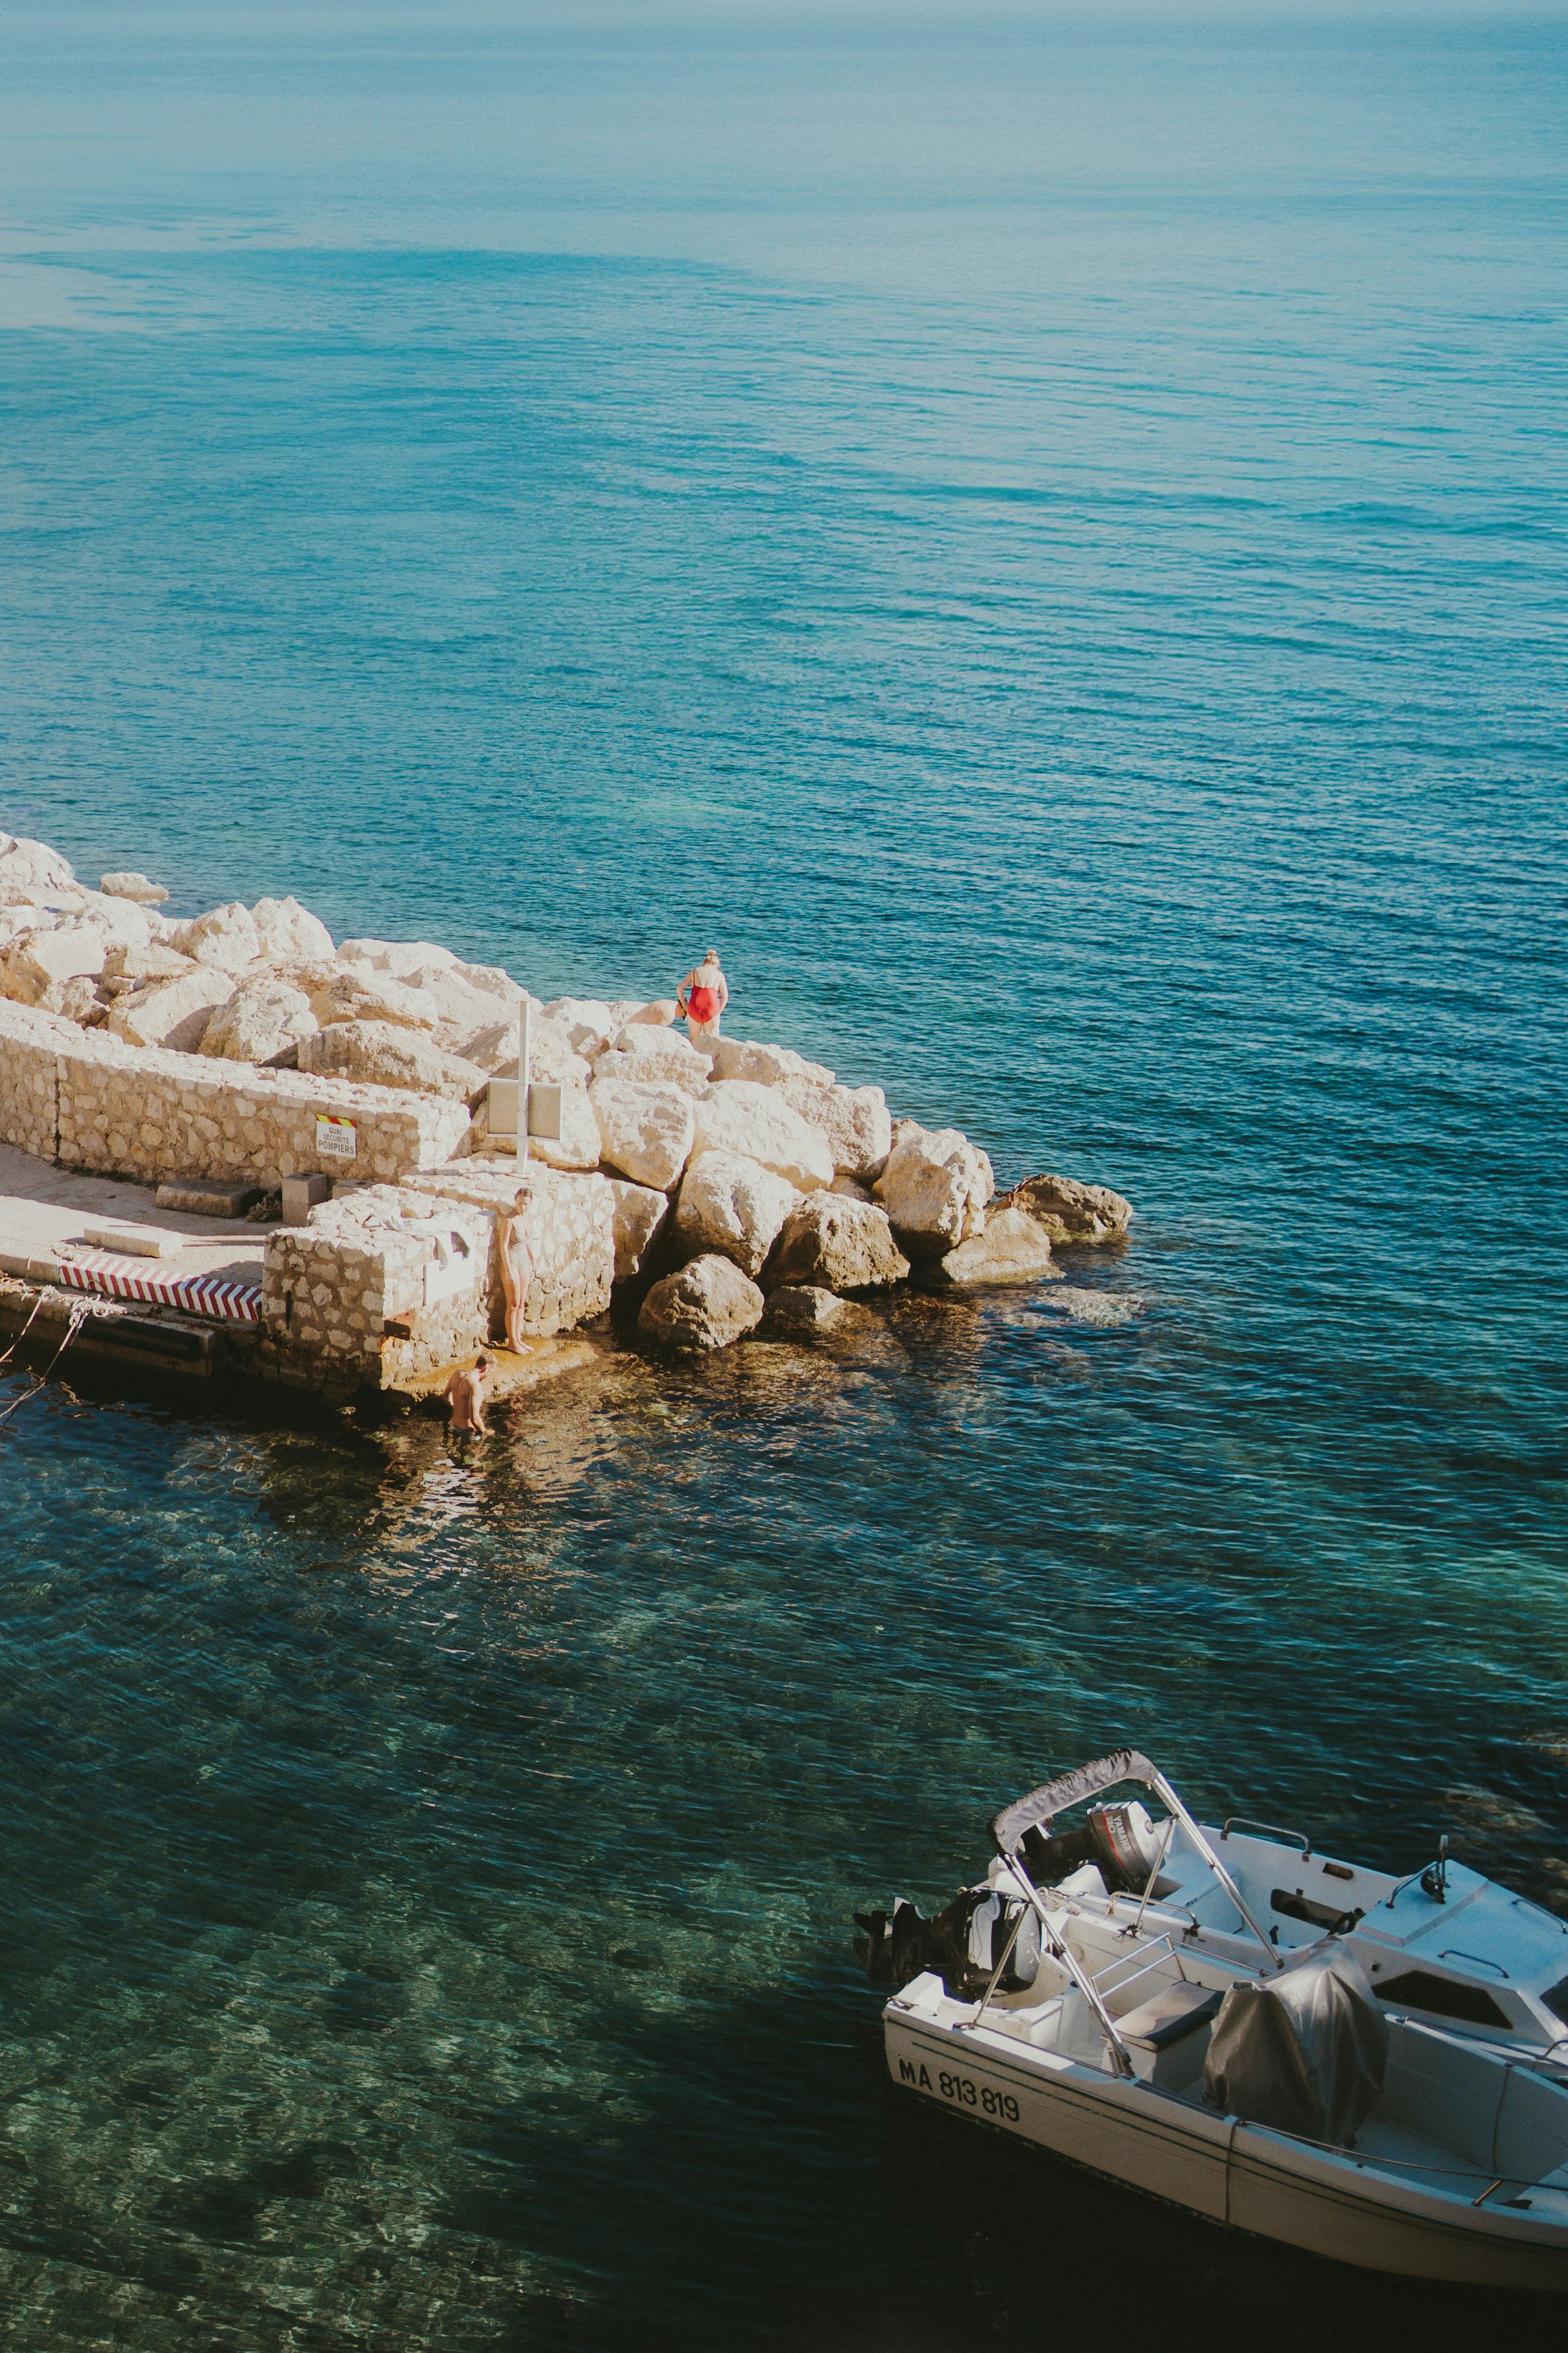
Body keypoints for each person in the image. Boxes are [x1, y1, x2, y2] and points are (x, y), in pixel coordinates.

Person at [495, 1188, 535, 1355]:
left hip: (523, 1261)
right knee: (513, 1302)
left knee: (521, 1303)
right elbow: (503, 1245)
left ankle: (518, 1338)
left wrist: (533, 1259)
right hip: (511, 1262)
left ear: (530, 1203)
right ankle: (511, 1342)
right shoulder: (509, 1219)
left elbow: (528, 1241)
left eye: (525, 1204)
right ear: (515, 1201)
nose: (522, 1207)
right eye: (519, 1203)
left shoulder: (527, 1218)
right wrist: (509, 1269)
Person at [676, 947, 728, 1055]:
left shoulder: (695, 971)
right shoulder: (719, 975)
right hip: (712, 1009)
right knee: (713, 1041)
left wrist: (685, 1006)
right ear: (716, 964)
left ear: (704, 963)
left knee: (693, 1042)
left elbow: (679, 988)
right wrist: (718, 1011)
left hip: (694, 1008)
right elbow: (725, 997)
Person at [446, 1353, 491, 1436]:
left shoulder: (457, 1373)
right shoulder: (475, 1386)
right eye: (490, 1372)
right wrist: (485, 1432)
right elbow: (475, 1419)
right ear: (486, 1368)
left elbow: (445, 1395)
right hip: (468, 1431)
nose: (487, 1376)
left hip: (454, 1425)